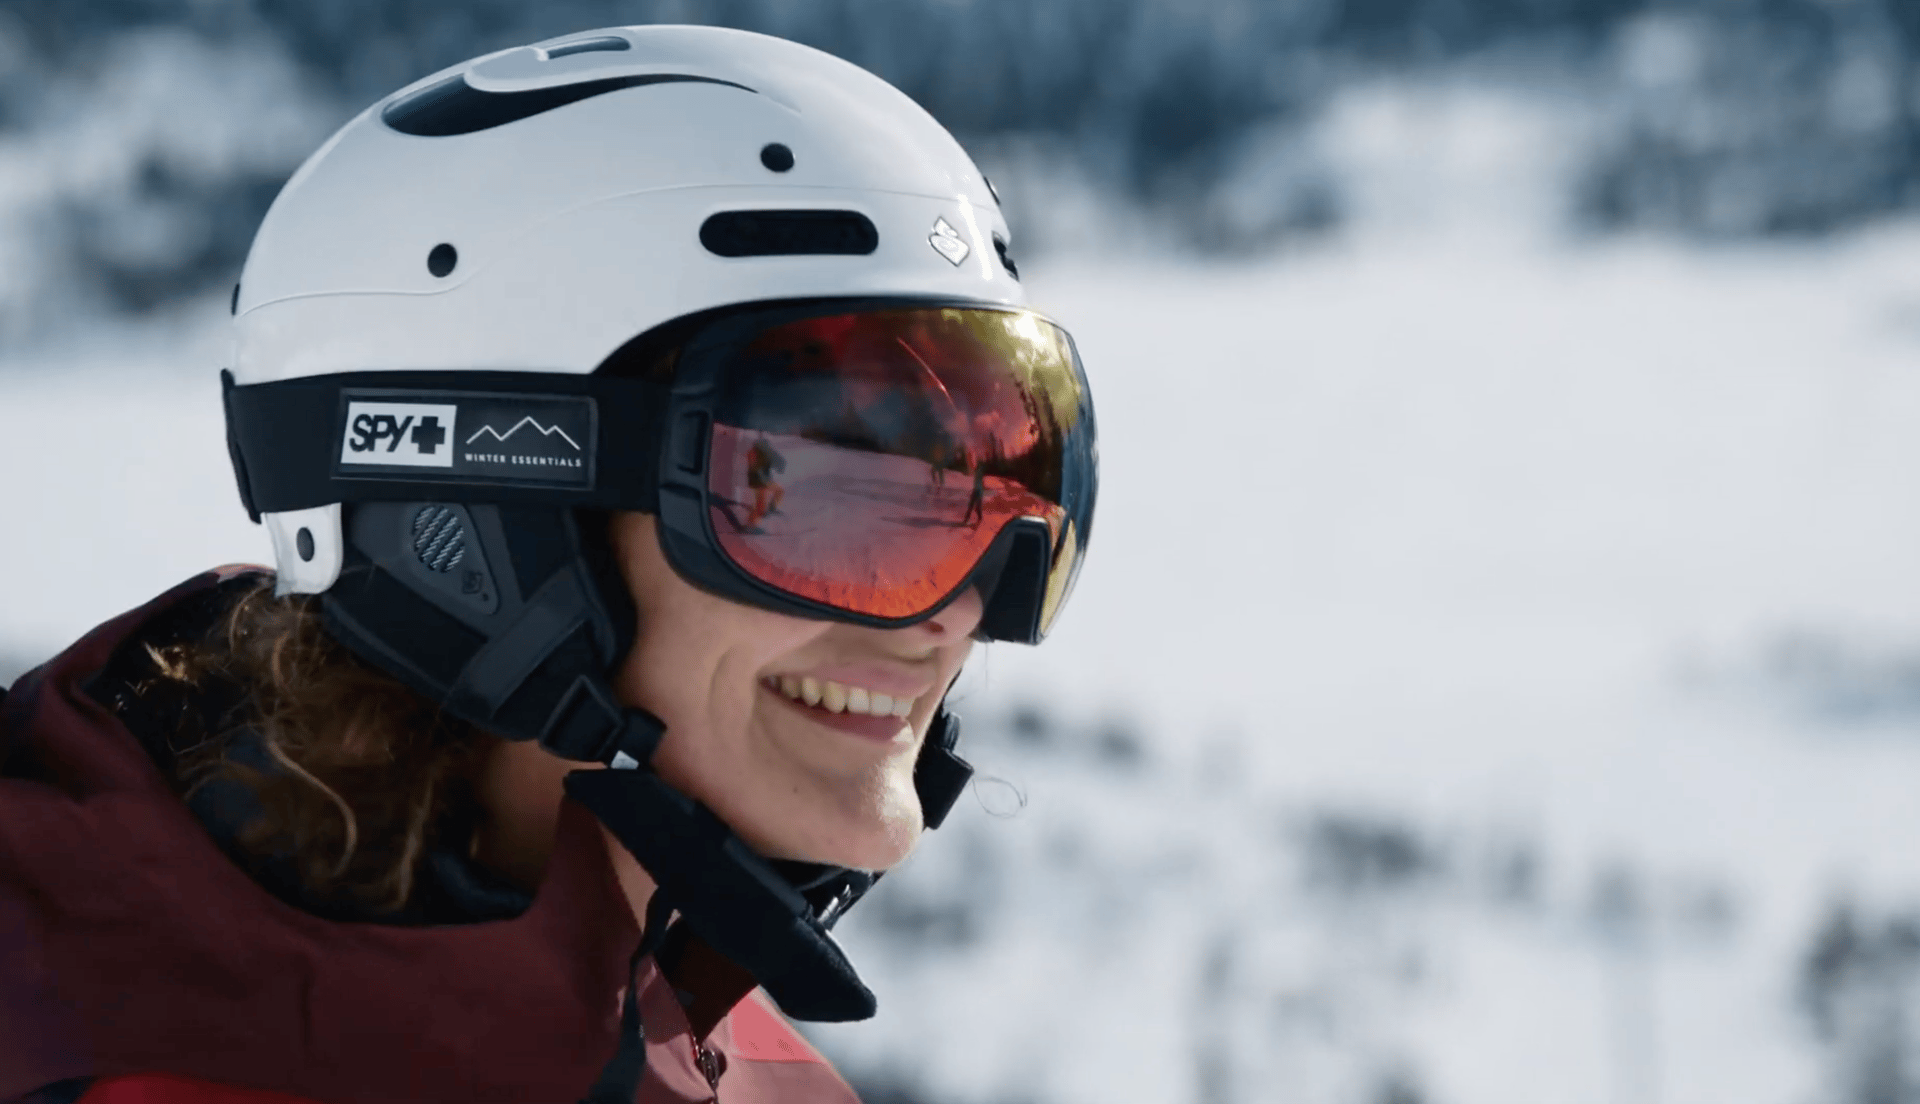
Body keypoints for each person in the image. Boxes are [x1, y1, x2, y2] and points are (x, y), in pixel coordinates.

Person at [0, 24, 1097, 1104]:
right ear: (490, 532)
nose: (951, 617)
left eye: (987, 493)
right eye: (815, 499)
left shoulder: (737, 1069)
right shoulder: (90, 1041)